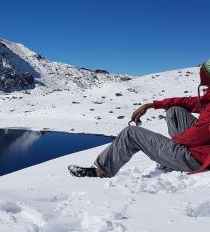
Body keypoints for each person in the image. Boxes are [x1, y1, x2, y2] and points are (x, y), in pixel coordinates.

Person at [68, 59, 210, 178]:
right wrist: (151, 105)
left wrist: (163, 145)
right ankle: (169, 159)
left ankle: (100, 171)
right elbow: (189, 102)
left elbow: (198, 135)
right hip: (202, 148)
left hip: (197, 158)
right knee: (174, 111)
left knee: (131, 133)